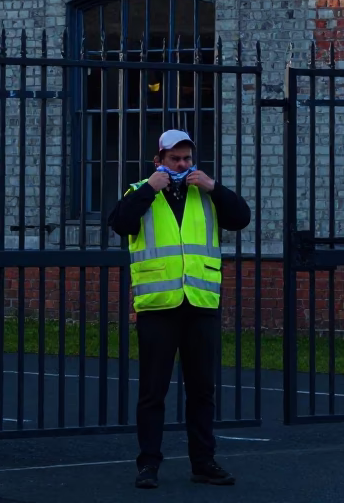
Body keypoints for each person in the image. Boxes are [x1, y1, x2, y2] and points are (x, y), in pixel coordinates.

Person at [108, 129, 251, 490]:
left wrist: (214, 186)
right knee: (153, 391)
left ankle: (203, 462)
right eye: (175, 159)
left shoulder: (205, 193)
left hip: (201, 304)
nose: (183, 165)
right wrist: (149, 188)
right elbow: (121, 223)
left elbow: (241, 218)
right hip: (158, 305)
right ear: (159, 160)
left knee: (202, 390)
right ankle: (148, 465)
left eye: (187, 158)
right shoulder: (140, 192)